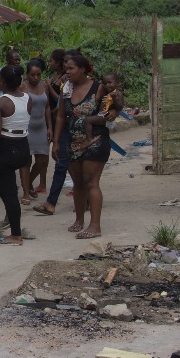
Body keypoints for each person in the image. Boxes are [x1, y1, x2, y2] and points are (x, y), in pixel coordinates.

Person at [62, 51, 115, 240]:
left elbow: (115, 104)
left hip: (96, 140)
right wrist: (56, 141)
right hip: (73, 142)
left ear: (83, 69)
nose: (67, 72)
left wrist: (111, 114)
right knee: (78, 183)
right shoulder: (66, 89)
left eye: (71, 68)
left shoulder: (99, 88)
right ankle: (79, 220)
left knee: (91, 182)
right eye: (66, 69)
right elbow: (60, 116)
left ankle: (95, 226)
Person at [0, 64, 33, 245]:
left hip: (6, 148)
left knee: (9, 193)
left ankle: (15, 235)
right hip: (23, 146)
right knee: (10, 191)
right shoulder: (27, 98)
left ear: (2, 81)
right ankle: (14, 225)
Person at [33, 49, 70, 216]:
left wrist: (48, 86)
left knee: (67, 164)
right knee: (61, 164)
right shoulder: (62, 80)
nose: (67, 68)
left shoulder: (67, 81)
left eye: (52, 61)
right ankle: (51, 202)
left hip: (68, 126)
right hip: (58, 123)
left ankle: (84, 197)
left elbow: (60, 102)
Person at [21, 59, 51, 203]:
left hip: (41, 128)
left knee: (42, 161)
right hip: (27, 128)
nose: (36, 77)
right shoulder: (22, 87)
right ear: (27, 74)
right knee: (26, 162)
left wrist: (50, 127)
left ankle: (29, 182)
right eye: (32, 75)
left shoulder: (44, 86)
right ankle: (26, 193)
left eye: (38, 74)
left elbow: (47, 107)